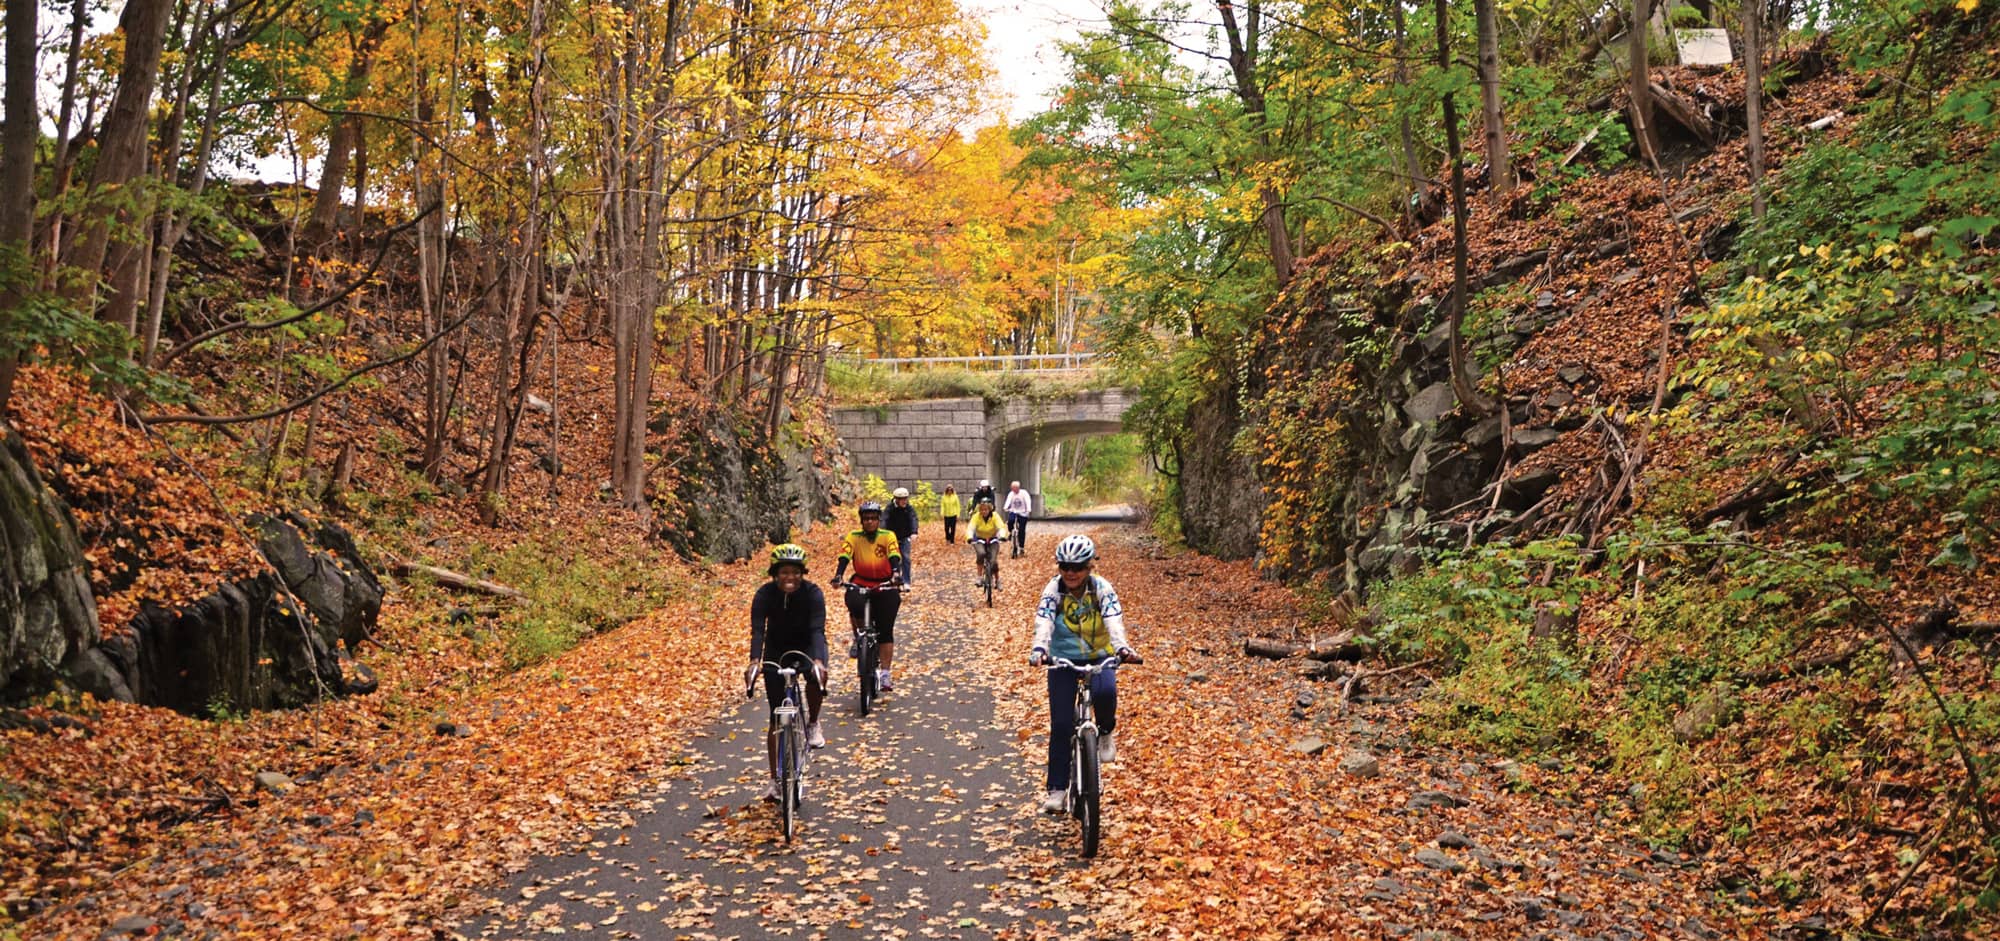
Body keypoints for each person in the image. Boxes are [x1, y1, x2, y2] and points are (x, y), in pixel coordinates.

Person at [1027, 534, 1141, 814]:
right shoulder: (1053, 590)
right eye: (1064, 566)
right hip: (1062, 658)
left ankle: (1104, 732)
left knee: (1106, 692)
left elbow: (1114, 620)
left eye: (1077, 567)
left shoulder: (1102, 588)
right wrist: (1040, 649)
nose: (1070, 573)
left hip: (1099, 654)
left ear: (1090, 566)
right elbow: (1043, 620)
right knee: (1062, 724)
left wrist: (1122, 648)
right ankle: (1057, 790)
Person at [744, 543, 828, 802]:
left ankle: (813, 722)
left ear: (802, 574)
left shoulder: (813, 594)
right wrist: (755, 661)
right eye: (783, 572)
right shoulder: (764, 595)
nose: (789, 578)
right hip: (776, 649)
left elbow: (817, 631)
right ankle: (775, 781)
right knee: (775, 718)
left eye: (795, 572)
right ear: (774, 574)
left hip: (807, 645)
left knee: (816, 677)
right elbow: (758, 631)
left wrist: (818, 661)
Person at [833, 501, 904, 692]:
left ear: (879, 519)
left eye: (873, 518)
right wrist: (839, 575)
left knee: (885, 629)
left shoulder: (887, 536)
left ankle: (886, 674)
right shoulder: (854, 537)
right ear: (861, 521)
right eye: (866, 519)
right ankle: (859, 637)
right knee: (853, 600)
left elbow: (894, 554)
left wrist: (896, 573)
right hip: (861, 581)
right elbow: (845, 555)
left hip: (884, 584)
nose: (870, 522)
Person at [968, 497, 1005, 588]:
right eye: (982, 510)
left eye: (986, 509)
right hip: (979, 539)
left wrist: (1002, 536)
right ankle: (979, 577)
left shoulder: (995, 516)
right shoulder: (976, 516)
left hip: (993, 539)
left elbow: (1000, 527)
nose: (984, 512)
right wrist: (969, 537)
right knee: (981, 553)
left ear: (990, 509)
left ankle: (997, 580)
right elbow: (971, 528)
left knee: (993, 561)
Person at [884, 486, 919, 584]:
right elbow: (884, 520)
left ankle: (906, 581)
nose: (905, 501)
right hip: (892, 538)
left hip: (905, 536)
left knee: (906, 557)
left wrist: (914, 532)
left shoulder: (909, 508)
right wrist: (883, 533)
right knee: (893, 558)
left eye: (906, 499)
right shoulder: (889, 508)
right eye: (902, 499)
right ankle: (895, 578)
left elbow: (913, 519)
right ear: (896, 499)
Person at [1003, 481, 1033, 558]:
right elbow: (1008, 501)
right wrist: (1006, 507)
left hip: (1023, 512)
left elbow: (1028, 501)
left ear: (1019, 488)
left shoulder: (1024, 493)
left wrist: (1029, 509)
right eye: (1013, 488)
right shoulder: (1011, 494)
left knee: (1022, 530)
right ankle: (1011, 532)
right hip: (1014, 511)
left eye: (1015, 488)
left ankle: (1021, 547)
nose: (1014, 490)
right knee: (1010, 521)